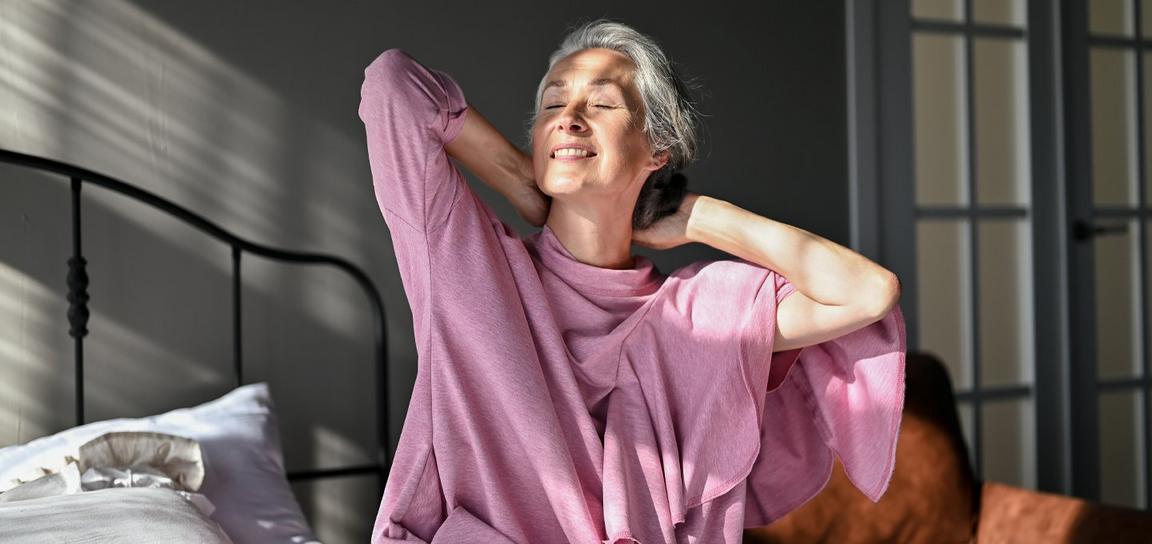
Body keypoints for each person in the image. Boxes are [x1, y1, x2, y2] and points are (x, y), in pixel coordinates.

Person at [358, 19, 907, 544]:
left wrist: (698, 216)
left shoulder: (700, 313)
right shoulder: (469, 266)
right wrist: (523, 182)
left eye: (600, 104)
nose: (569, 118)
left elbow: (868, 292)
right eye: (553, 104)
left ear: (656, 150)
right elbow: (394, 84)